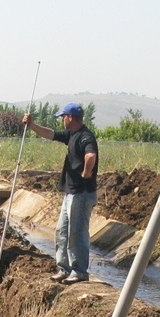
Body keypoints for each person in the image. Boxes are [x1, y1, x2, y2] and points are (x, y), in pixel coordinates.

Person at [23, 103, 99, 284]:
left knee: (77, 233)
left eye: (63, 116)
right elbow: (50, 134)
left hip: (81, 194)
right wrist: (32, 125)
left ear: (70, 117)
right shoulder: (72, 134)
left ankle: (79, 271)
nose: (62, 119)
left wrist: (87, 173)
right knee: (61, 231)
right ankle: (64, 268)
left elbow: (91, 156)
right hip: (70, 194)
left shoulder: (85, 136)